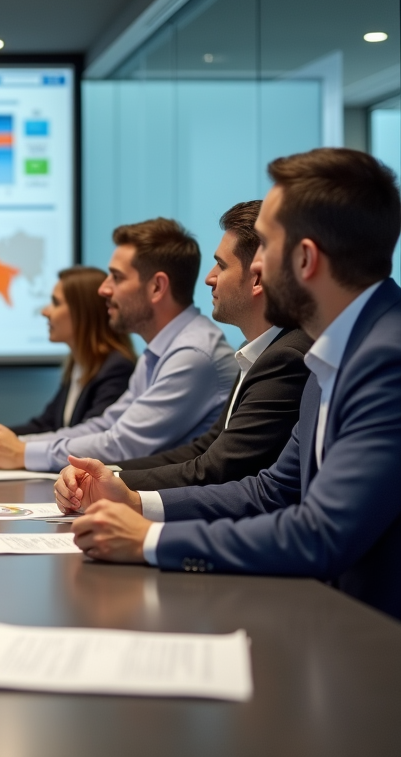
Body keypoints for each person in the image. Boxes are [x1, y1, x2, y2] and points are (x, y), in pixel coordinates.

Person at [57, 148, 401, 619]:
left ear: (305, 259)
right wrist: (135, 500)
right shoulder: (337, 350)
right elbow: (272, 491)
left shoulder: (387, 359)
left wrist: (151, 539)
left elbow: (321, 533)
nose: (255, 268)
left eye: (267, 247)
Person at [0, 218, 238, 471]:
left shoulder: (192, 354)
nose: (103, 289)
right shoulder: (159, 351)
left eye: (116, 277)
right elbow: (106, 424)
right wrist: (10, 445)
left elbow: (121, 445)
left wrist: (22, 452)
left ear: (156, 287)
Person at [111, 201, 312, 489]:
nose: (209, 278)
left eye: (221, 264)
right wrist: (111, 473)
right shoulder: (257, 349)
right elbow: (205, 447)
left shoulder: (286, 357)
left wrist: (115, 483)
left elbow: (218, 469)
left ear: (257, 278)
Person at [0, 266, 136, 452]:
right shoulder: (80, 365)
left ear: (83, 313)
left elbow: (92, 437)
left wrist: (5, 447)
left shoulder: (117, 369)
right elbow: (45, 425)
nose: (45, 311)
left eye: (56, 303)